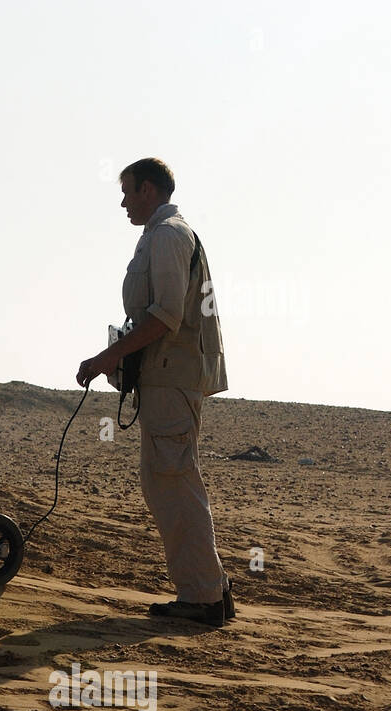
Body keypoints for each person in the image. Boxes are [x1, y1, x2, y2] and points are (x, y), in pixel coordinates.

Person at [76, 158, 235, 626]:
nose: (124, 202)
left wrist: (107, 359)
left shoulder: (167, 236)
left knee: (173, 481)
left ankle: (204, 597)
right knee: (169, 480)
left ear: (149, 190)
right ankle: (209, 591)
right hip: (166, 376)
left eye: (127, 192)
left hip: (172, 376)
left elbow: (164, 316)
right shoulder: (164, 234)